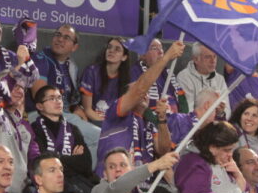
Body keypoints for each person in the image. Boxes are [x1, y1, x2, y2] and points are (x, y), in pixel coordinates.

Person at [94, 41, 184, 177]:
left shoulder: (149, 123)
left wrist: (162, 120)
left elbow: (163, 149)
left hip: (141, 187)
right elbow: (140, 88)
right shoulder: (117, 112)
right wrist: (166, 57)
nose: (144, 93)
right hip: (112, 182)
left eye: (147, 92)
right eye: (137, 90)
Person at [30, 25, 100, 158]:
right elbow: (39, 96)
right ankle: (71, 172)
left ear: (74, 47)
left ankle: (74, 172)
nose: (60, 39)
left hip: (66, 116)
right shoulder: (41, 59)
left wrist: (76, 107)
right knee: (100, 137)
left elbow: (71, 97)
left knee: (99, 139)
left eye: (66, 37)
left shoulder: (72, 66)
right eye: (58, 35)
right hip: (41, 114)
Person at [31, 86, 95, 193]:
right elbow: (43, 163)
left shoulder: (73, 129)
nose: (58, 101)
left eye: (59, 97)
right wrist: (72, 159)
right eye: (52, 98)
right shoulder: (34, 129)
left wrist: (56, 157)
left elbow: (86, 164)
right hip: (53, 186)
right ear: (39, 106)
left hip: (79, 183)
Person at [79, 38, 131, 125]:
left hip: (115, 124)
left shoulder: (127, 79)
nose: (111, 51)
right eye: (109, 47)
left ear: (124, 57)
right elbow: (87, 109)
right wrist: (107, 126)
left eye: (117, 49)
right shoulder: (91, 71)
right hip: (94, 121)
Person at [130, 38, 184, 114]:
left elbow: (182, 100)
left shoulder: (167, 72)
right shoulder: (136, 72)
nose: (160, 52)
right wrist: (158, 121)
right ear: (143, 55)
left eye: (161, 48)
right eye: (154, 48)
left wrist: (183, 119)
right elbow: (139, 105)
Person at [176, 42, 229, 119]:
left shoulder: (220, 79)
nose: (213, 61)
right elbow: (187, 111)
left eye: (215, 56)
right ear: (196, 59)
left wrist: (221, 113)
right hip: (194, 127)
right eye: (208, 57)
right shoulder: (184, 77)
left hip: (215, 126)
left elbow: (228, 112)